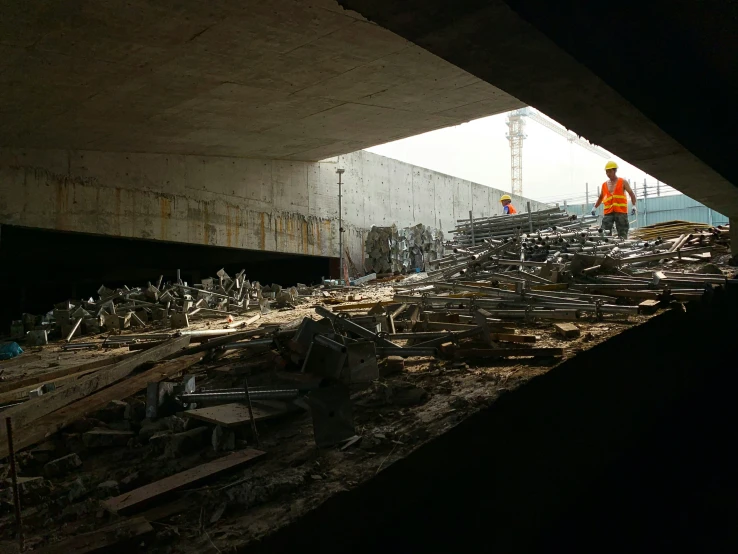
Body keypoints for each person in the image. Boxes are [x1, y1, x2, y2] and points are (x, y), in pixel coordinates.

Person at [591, 161, 637, 238]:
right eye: (606, 171)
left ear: (615, 171)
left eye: (610, 171)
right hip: (608, 212)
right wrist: (594, 207)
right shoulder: (604, 185)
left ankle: (623, 246)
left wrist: (633, 206)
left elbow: (631, 194)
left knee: (622, 231)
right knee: (605, 231)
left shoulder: (623, 182)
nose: (608, 173)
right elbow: (601, 197)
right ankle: (607, 247)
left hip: (621, 212)